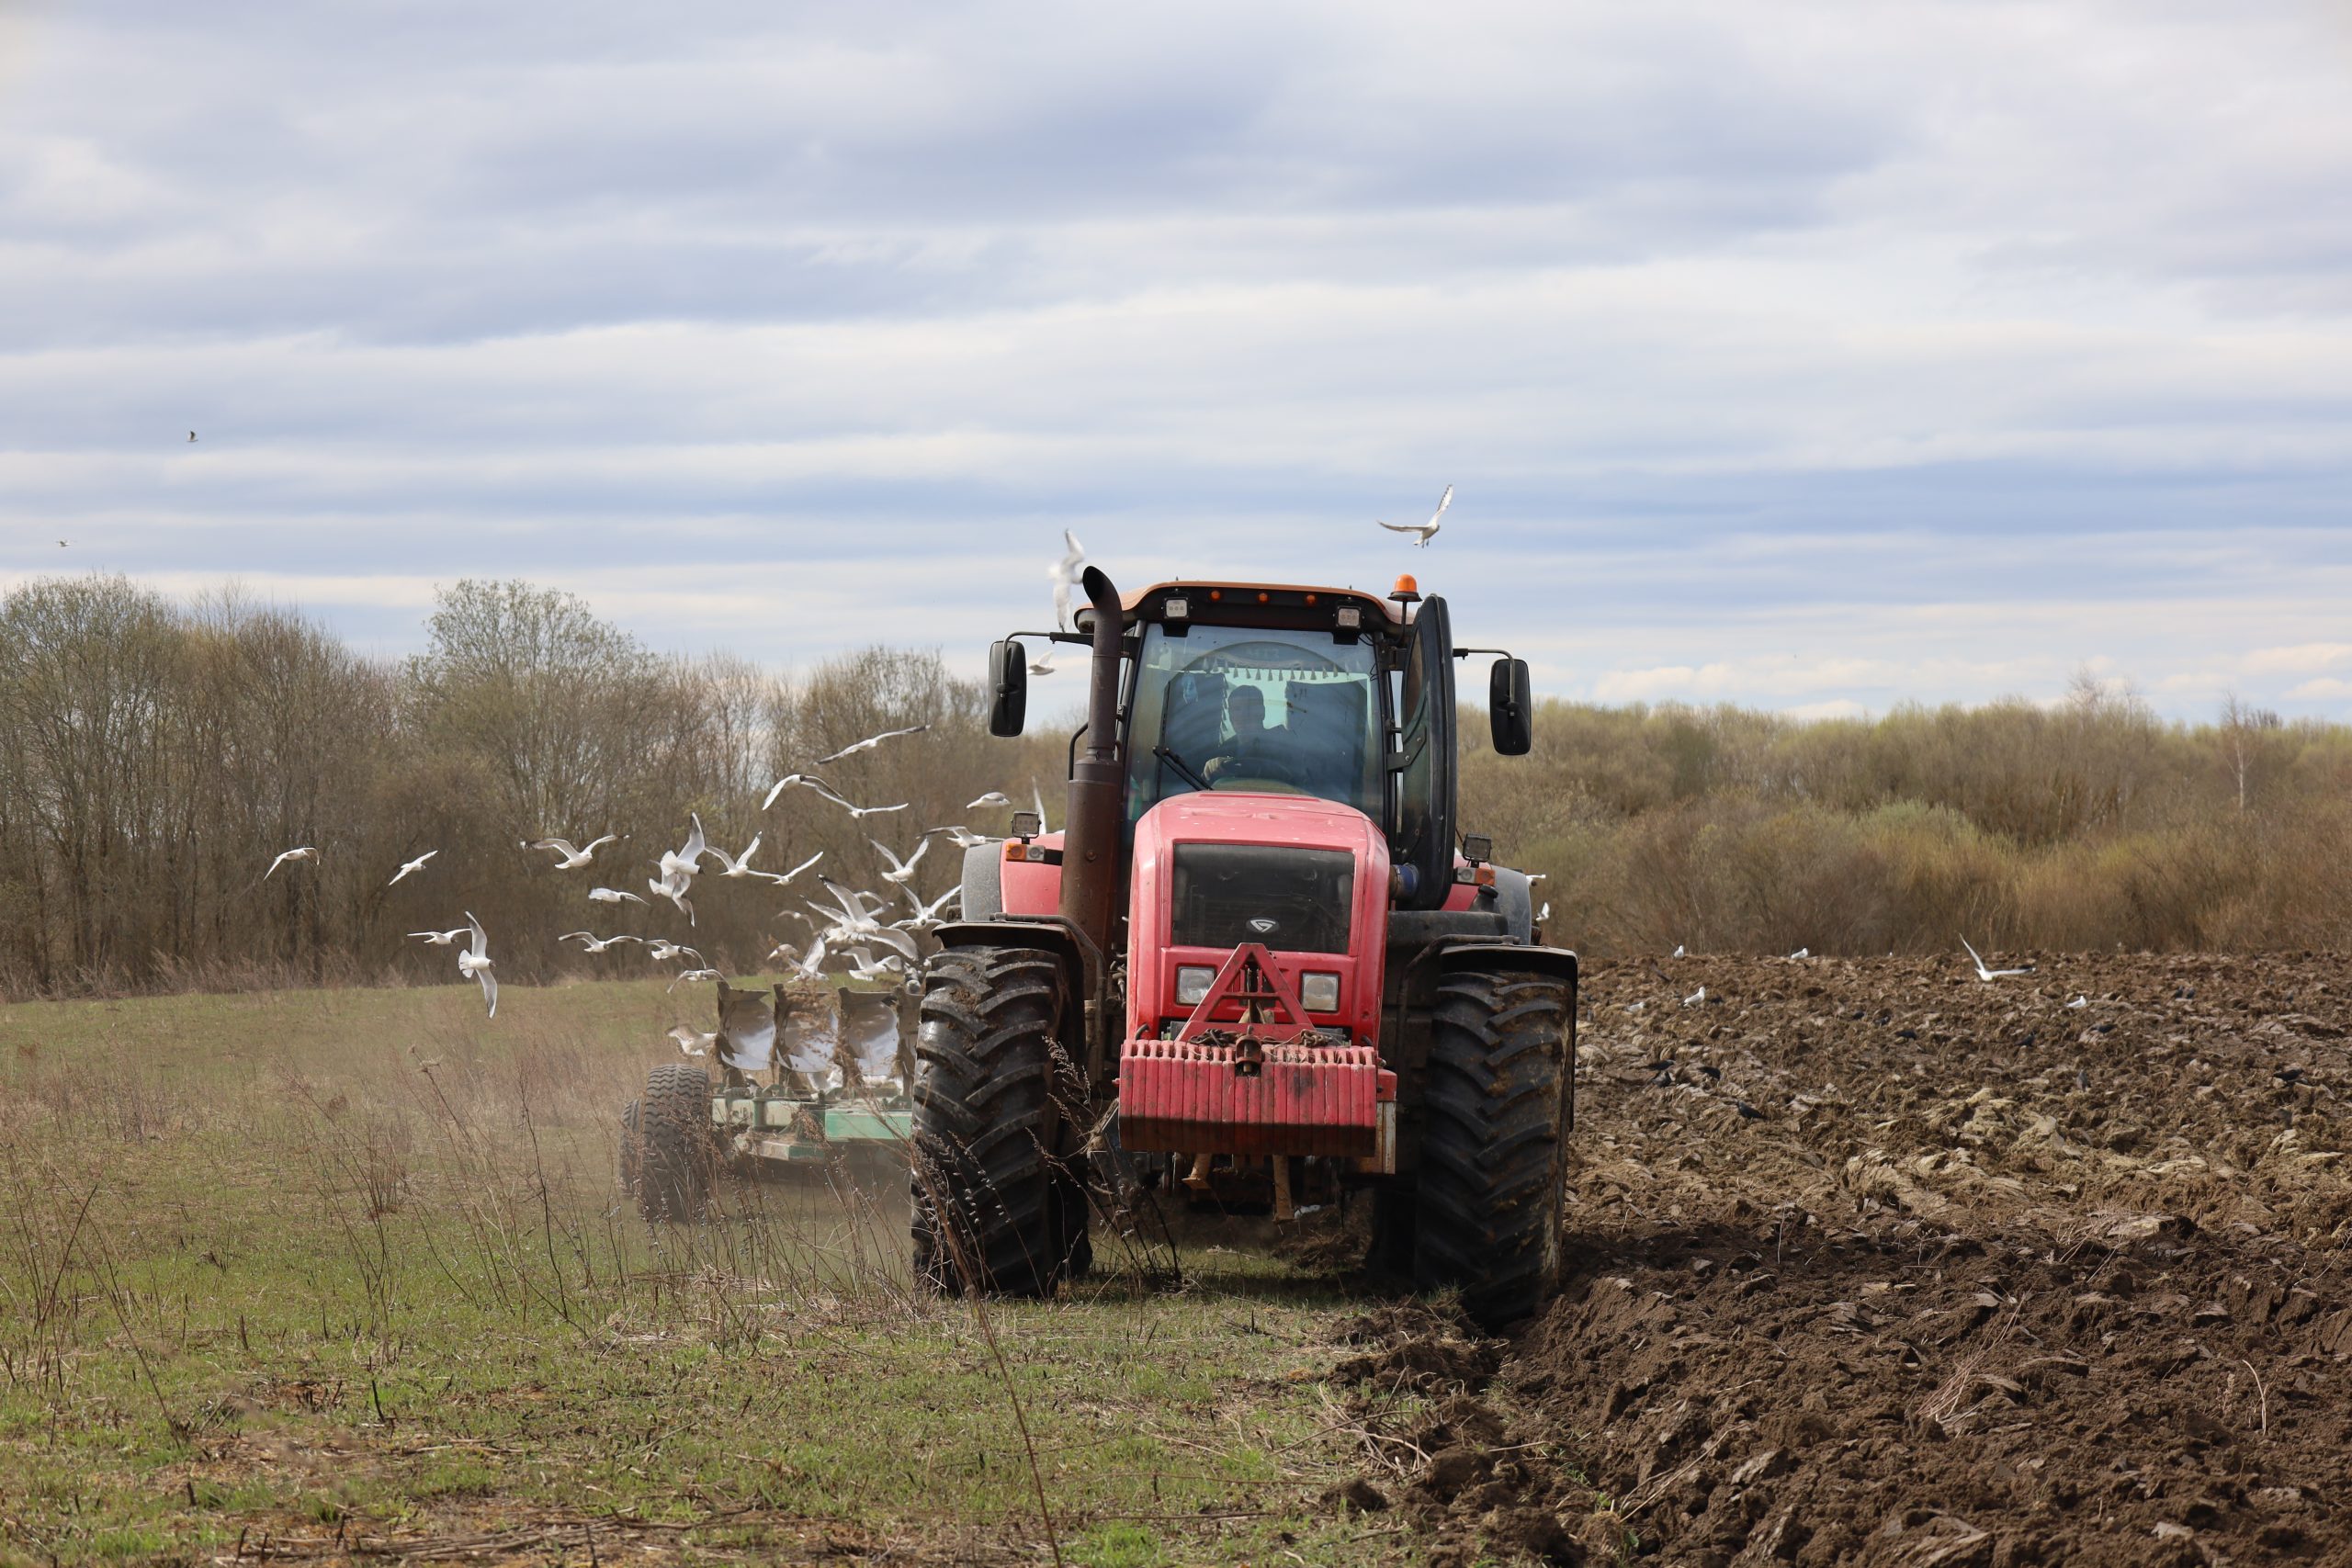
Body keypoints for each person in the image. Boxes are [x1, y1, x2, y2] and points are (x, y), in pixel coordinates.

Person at [1203, 685, 1300, 785]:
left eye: (1250, 708)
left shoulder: (1281, 744)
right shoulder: (1224, 750)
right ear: (1230, 716)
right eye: (1237, 709)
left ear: (1262, 712)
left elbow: (1294, 776)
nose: (1244, 715)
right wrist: (1212, 766)